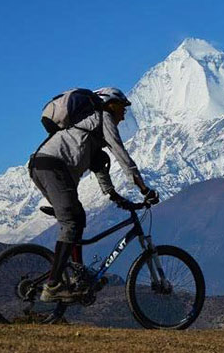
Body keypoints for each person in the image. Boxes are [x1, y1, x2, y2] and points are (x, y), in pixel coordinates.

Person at [28, 87, 159, 302]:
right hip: (53, 168)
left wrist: (116, 197)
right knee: (71, 223)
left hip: (43, 167)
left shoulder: (90, 133)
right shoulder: (103, 118)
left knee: (78, 219)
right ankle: (52, 286)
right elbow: (121, 154)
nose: (124, 114)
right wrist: (144, 189)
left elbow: (100, 168)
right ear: (110, 105)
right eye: (121, 107)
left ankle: (77, 274)